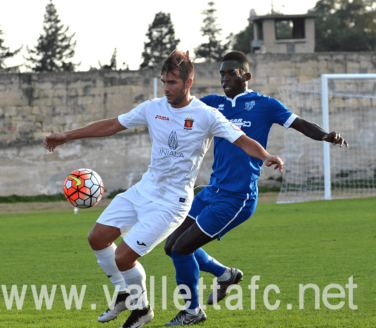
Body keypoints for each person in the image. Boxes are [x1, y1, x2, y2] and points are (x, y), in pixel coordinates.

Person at [44, 50, 284, 328]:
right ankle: (125, 294)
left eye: (172, 82)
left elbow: (243, 140)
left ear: (188, 82)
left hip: (172, 202)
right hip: (144, 189)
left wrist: (265, 155)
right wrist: (66, 136)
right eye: (164, 82)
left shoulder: (207, 115)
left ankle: (142, 310)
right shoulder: (152, 108)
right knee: (97, 238)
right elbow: (112, 125)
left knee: (123, 257)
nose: (167, 88)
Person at [163, 51, 349, 326]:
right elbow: (180, 108)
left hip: (238, 197)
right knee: (170, 246)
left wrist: (326, 135)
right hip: (211, 191)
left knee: (181, 250)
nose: (225, 78)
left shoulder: (265, 105)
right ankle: (225, 275)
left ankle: (192, 311)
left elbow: (299, 124)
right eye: (222, 74)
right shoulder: (213, 103)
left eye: (231, 73)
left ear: (246, 76)